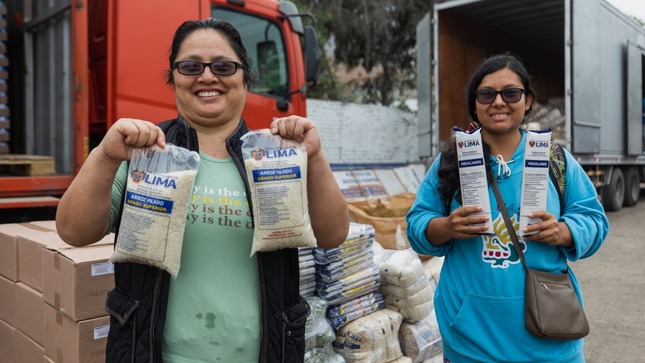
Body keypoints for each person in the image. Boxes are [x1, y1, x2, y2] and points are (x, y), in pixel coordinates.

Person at [55, 18, 350, 363]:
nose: (207, 77)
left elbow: (333, 234)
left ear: (244, 76)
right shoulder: (146, 155)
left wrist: (314, 157)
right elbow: (74, 231)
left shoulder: (273, 156)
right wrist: (105, 156)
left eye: (224, 66)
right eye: (191, 66)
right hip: (149, 353)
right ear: (174, 77)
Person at [406, 53, 609, 363]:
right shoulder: (452, 161)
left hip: (548, 341)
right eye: (487, 94)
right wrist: (446, 227)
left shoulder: (554, 159)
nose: (498, 102)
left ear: (527, 101)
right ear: (474, 104)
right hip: (471, 344)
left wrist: (563, 231)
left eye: (511, 93)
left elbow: (595, 221)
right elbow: (417, 224)